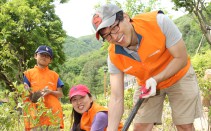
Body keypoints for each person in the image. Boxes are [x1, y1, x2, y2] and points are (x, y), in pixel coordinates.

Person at [92, 4, 202, 131]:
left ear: (126, 17)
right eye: (108, 36)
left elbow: (181, 58)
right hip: (147, 84)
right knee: (140, 127)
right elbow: (116, 98)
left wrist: (156, 79)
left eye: (115, 27)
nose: (115, 37)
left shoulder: (159, 22)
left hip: (178, 74)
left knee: (184, 125)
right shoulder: (113, 56)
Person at [23, 45, 64, 130]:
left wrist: (50, 92)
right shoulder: (28, 74)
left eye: (47, 56)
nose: (44, 57)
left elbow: (60, 94)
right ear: (35, 56)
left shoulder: (55, 75)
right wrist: (32, 94)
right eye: (42, 55)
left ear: (50, 60)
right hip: (35, 117)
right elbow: (25, 91)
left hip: (53, 116)